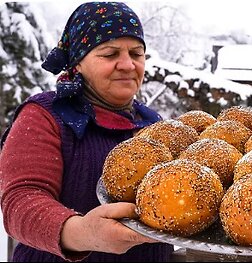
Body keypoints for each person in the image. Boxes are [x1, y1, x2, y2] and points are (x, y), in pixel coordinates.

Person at [0, 2, 173, 262]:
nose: (127, 65)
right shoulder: (45, 115)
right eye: (110, 54)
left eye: (136, 54)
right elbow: (20, 201)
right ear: (78, 63)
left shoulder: (154, 125)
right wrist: (83, 233)